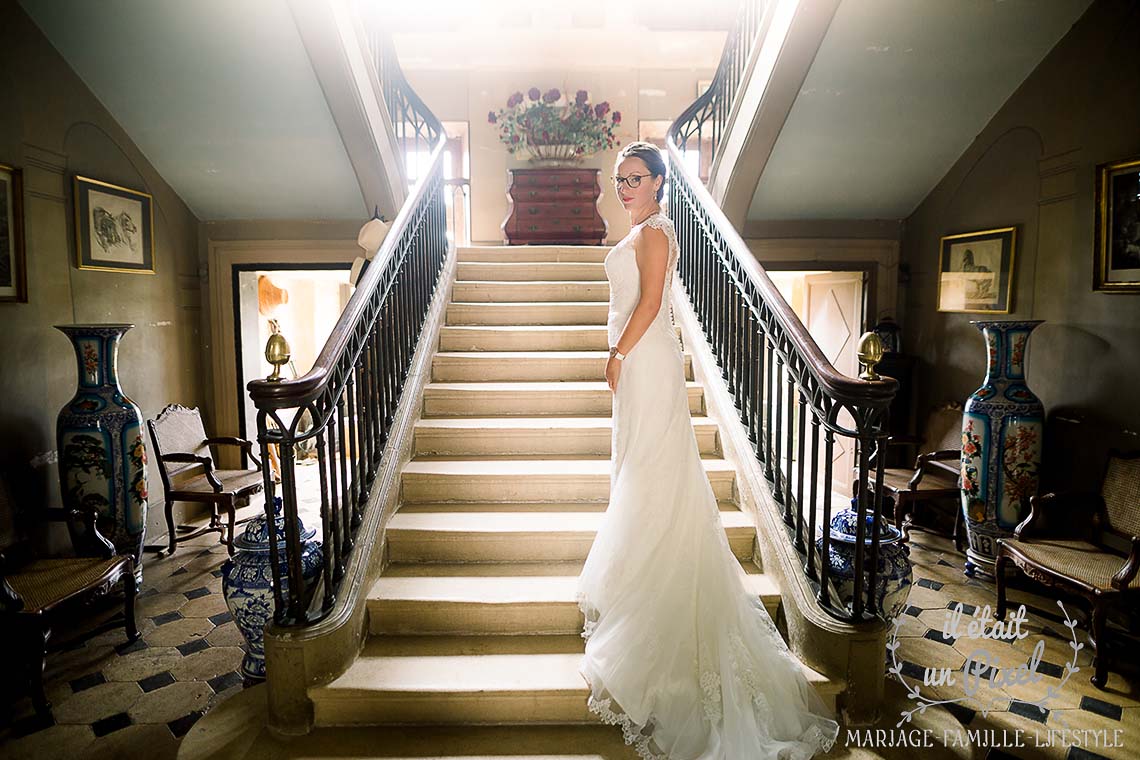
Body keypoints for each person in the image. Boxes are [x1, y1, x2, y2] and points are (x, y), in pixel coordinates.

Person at [575, 141, 841, 759]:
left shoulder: (655, 233)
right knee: (640, 471)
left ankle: (655, 592)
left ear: (660, 182)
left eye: (634, 178)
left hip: (646, 362)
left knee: (652, 472)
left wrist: (616, 353)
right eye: (618, 180)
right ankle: (637, 575)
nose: (624, 187)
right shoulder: (642, 229)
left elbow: (649, 303)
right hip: (638, 366)